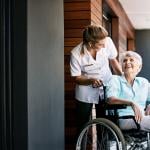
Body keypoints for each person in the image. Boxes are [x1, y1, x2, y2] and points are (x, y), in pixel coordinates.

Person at [70, 25, 122, 136]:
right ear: (90, 43)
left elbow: (113, 61)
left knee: (104, 124)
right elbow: (77, 78)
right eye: (100, 44)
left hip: (106, 86)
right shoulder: (76, 53)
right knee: (82, 125)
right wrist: (91, 80)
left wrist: (122, 78)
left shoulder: (107, 41)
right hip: (85, 91)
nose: (104, 46)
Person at [106, 51, 150, 131]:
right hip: (124, 118)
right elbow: (110, 99)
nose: (127, 62)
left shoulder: (144, 82)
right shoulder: (115, 80)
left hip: (142, 118)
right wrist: (131, 103)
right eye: (124, 60)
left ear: (139, 67)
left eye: (131, 60)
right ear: (122, 67)